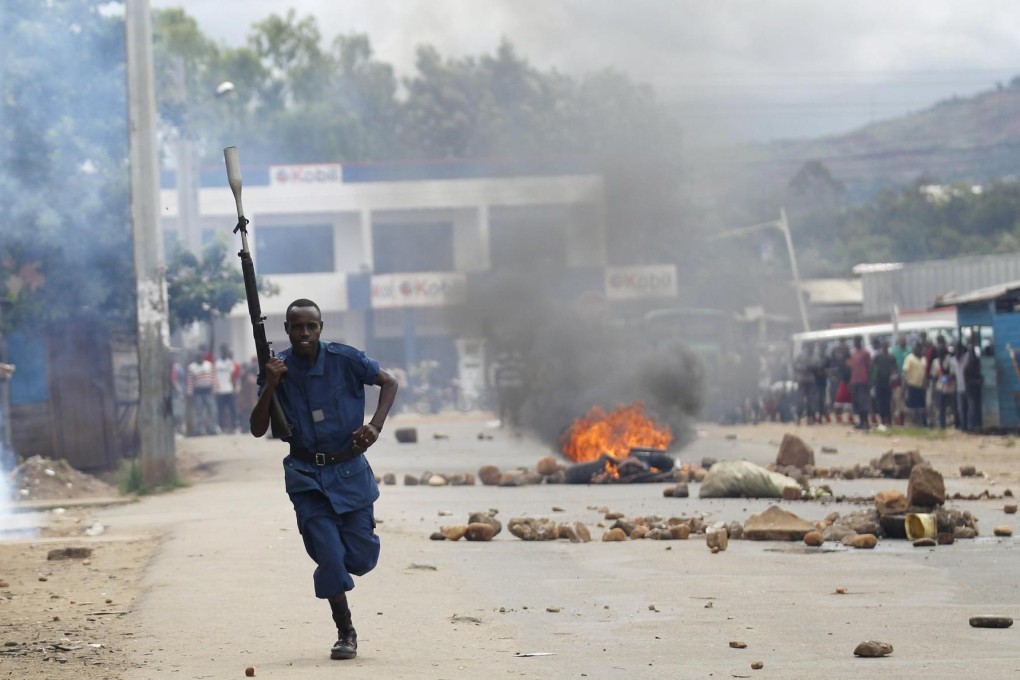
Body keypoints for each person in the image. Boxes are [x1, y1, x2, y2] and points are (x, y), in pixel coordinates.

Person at [250, 298, 398, 661]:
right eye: (296, 326)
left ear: (320, 327)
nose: (304, 333)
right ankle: (345, 630)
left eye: (310, 326)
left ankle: (347, 559)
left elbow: (389, 382)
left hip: (349, 472)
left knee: (360, 558)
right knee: (330, 557)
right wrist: (270, 384)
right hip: (307, 478)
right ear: (286, 329)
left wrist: (375, 425)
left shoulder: (345, 359)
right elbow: (257, 428)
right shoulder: (276, 368)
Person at [186, 351, 219, 435]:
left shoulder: (208, 365)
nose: (200, 359)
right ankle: (200, 430)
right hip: (198, 392)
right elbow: (190, 381)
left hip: (208, 391)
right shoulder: (192, 367)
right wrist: (190, 393)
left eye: (201, 358)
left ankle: (212, 429)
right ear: (196, 358)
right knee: (199, 411)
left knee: (212, 410)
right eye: (198, 358)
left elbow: (213, 377)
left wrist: (215, 389)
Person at [214, 344, 240, 434]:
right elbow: (214, 376)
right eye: (223, 351)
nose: (225, 352)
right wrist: (215, 388)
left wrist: (235, 387)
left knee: (233, 409)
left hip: (229, 389)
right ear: (221, 352)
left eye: (226, 351)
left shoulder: (230, 362)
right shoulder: (217, 363)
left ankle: (234, 426)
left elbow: (232, 377)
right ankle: (222, 427)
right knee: (221, 410)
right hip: (219, 390)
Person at [848, 335, 872, 430]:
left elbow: (870, 367)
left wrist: (869, 381)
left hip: (863, 381)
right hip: (855, 381)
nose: (855, 343)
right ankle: (861, 422)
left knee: (864, 402)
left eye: (857, 341)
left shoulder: (865, 353)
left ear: (860, 342)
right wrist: (850, 381)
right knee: (857, 402)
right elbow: (851, 368)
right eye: (854, 341)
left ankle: (866, 422)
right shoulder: (853, 354)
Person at [902, 342, 928, 427]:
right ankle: (913, 423)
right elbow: (905, 372)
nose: (917, 350)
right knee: (912, 406)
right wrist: (905, 385)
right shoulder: (909, 358)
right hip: (911, 385)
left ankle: (921, 422)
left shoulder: (924, 359)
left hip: (921, 386)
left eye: (919, 348)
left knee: (921, 406)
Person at [872, 341, 897, 426]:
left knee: (886, 402)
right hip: (879, 382)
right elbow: (873, 369)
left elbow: (895, 369)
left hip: (887, 382)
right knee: (881, 402)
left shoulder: (891, 357)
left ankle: (888, 420)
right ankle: (883, 420)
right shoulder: (878, 357)